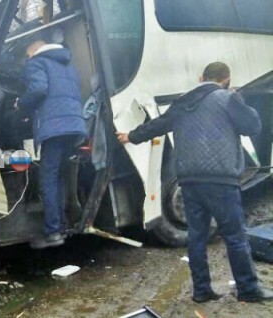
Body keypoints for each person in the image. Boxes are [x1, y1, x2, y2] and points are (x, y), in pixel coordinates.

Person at [117, 62, 273, 303]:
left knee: (197, 237)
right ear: (227, 79)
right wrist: (238, 100)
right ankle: (248, 289)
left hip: (188, 180)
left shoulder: (181, 102)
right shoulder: (228, 99)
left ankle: (201, 291)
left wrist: (131, 136)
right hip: (221, 180)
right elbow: (253, 126)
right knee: (235, 236)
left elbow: (157, 126)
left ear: (201, 78)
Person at [16, 39, 87, 249]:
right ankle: (61, 226)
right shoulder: (67, 63)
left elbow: (38, 89)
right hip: (74, 125)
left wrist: (21, 104)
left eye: (28, 55)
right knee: (60, 177)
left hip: (54, 128)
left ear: (35, 50)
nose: (28, 60)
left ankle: (53, 232)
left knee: (48, 178)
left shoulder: (37, 62)